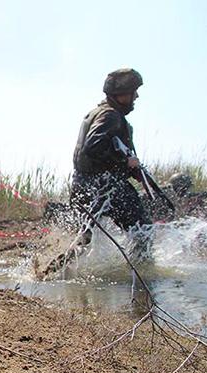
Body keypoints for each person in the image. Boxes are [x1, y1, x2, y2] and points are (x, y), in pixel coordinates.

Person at [70, 68, 153, 260]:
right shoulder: (111, 116)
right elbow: (93, 147)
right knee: (144, 230)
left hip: (84, 185)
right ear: (122, 94)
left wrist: (131, 169)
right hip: (107, 187)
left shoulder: (97, 113)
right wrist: (126, 162)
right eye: (134, 91)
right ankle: (142, 278)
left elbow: (96, 151)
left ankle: (55, 269)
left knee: (84, 236)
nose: (137, 96)